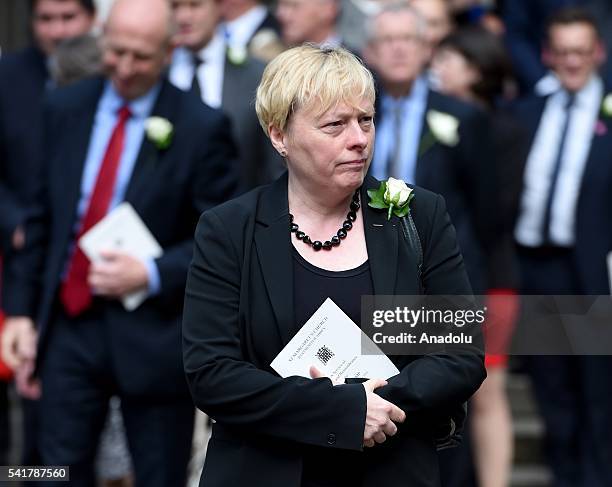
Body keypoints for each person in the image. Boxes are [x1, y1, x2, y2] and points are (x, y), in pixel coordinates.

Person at [182, 44, 486, 487]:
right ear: (279, 136)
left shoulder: (417, 216)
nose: (359, 138)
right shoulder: (229, 229)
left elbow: (459, 355)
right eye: (335, 125)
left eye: (366, 119)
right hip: (265, 471)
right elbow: (212, 373)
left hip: (389, 469)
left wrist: (375, 404)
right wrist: (342, 410)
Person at [0, 0, 238, 485]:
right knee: (52, 472)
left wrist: (150, 272)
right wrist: (22, 313)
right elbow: (43, 216)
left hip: (152, 333)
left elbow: (219, 243)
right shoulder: (65, 106)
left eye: (142, 57)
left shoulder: (200, 125)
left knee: (158, 474)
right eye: (117, 52)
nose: (126, 68)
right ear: (102, 36)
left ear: (169, 51)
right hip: (68, 325)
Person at [511, 7, 612, 487]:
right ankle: (564, 476)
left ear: (598, 54)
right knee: (549, 385)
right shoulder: (527, 112)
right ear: (548, 55)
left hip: (591, 269)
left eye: (581, 52)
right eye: (563, 52)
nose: (572, 62)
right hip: (535, 267)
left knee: (596, 386)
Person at [431, 26, 528, 487]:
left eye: (452, 59)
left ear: (478, 70)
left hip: (489, 274)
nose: (439, 67)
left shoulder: (502, 128)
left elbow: (496, 212)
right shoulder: (437, 118)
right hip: (447, 281)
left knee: (487, 392)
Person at [363, 2, 497, 295]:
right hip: (369, 267)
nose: (398, 49)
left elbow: (486, 208)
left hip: (442, 271)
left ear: (427, 49)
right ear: (369, 52)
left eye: (408, 39)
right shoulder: (357, 114)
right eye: (388, 40)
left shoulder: (463, 117)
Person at [169, 0, 283, 189]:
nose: (183, 17)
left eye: (194, 5)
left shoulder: (256, 75)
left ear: (219, 6)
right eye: (175, 6)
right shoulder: (154, 72)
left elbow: (273, 162)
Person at [276, 0, 343, 48]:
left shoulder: (352, 65)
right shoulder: (272, 57)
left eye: (294, 5)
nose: (280, 14)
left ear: (328, 9)